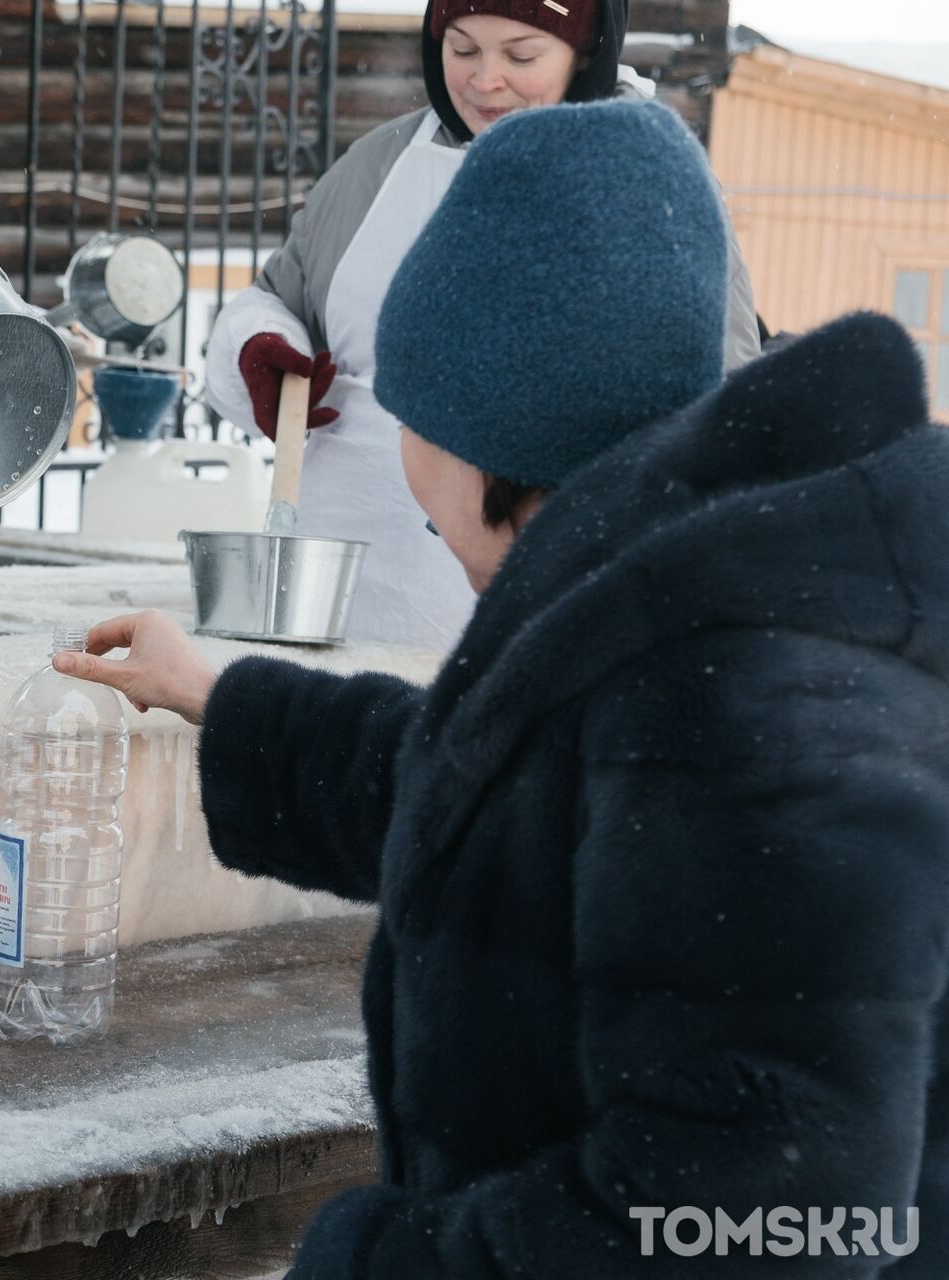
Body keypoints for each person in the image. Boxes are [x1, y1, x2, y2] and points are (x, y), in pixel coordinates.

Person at [60, 100, 948, 1276]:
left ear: (486, 427)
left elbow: (761, 1217)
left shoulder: (744, 703)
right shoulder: (660, 615)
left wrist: (383, 1262)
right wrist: (222, 700)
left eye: (408, 411)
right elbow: (508, 798)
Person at [205, 0, 763, 653]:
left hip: (536, 618)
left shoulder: (649, 185)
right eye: (462, 48)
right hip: (335, 596)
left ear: (585, 50)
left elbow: (721, 404)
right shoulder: (380, 164)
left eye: (521, 55)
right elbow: (281, 295)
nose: (484, 79)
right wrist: (260, 345)